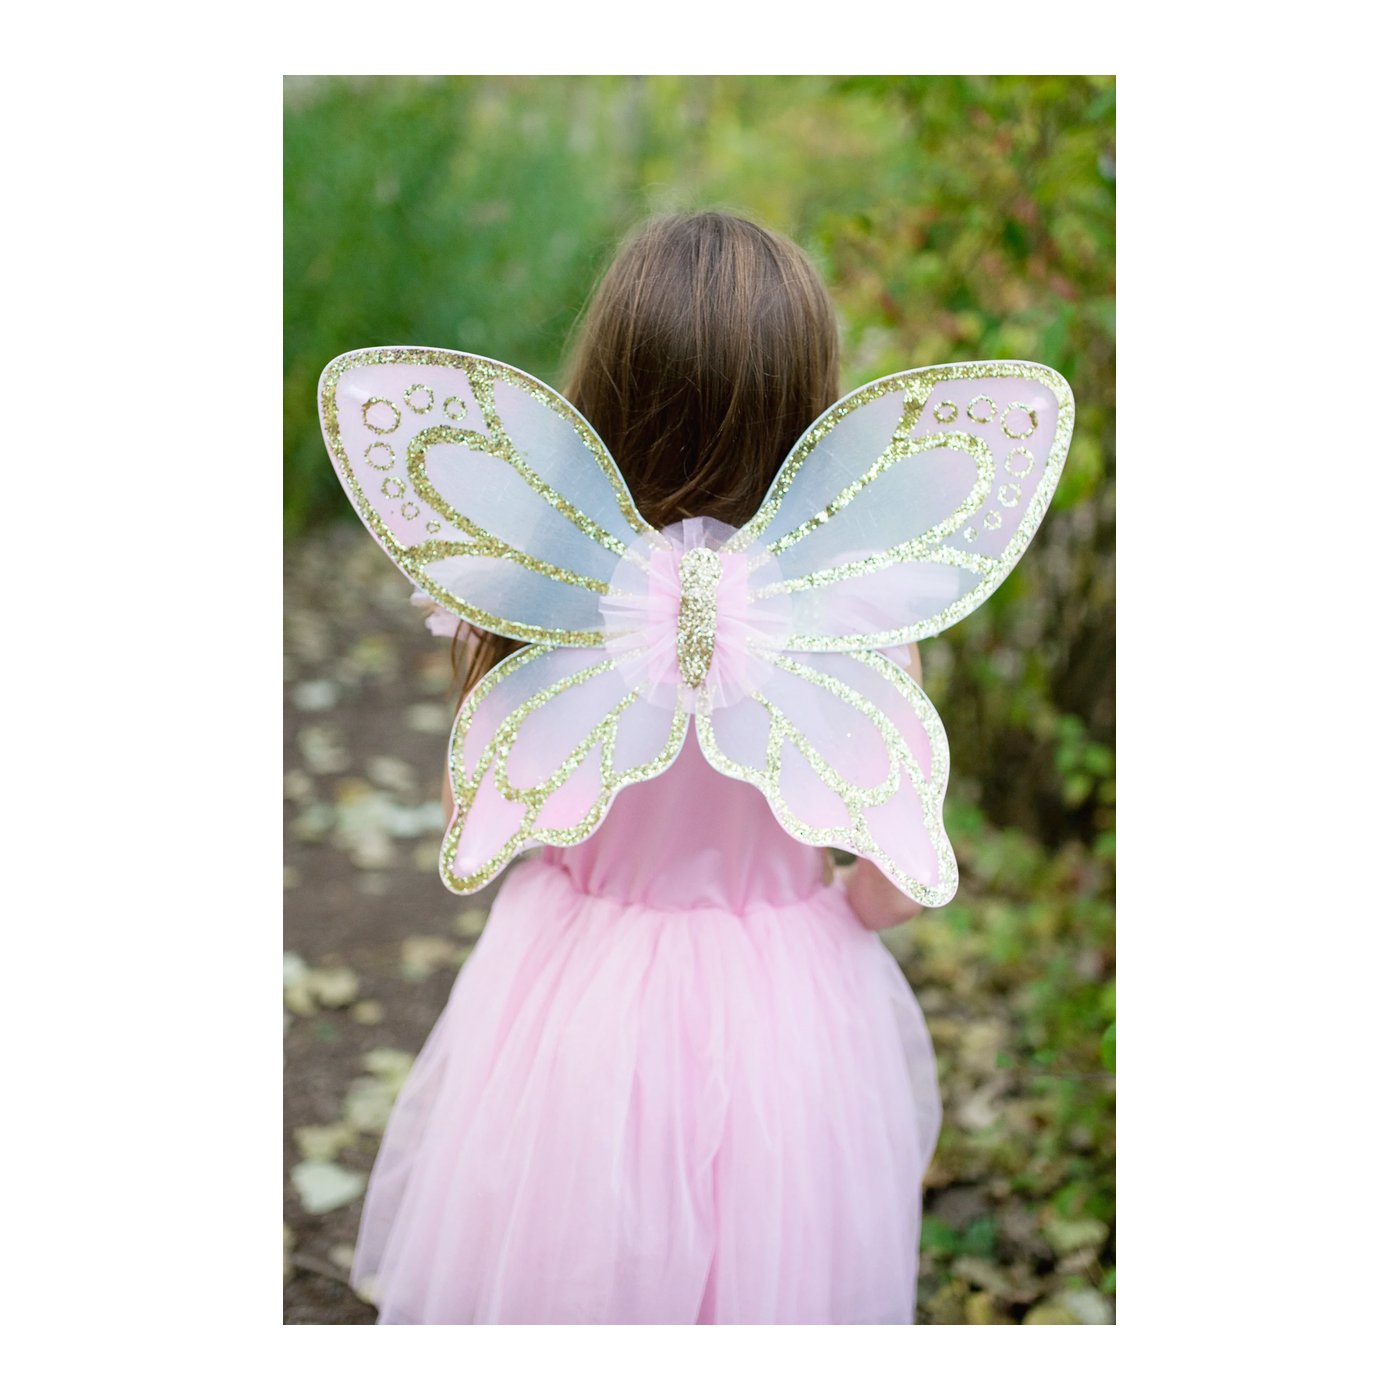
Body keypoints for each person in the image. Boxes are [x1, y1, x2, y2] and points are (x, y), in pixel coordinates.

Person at [319, 210, 1072, 1323]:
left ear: (606, 385)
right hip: (783, 1005)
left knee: (563, 1263)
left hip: (575, 991)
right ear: (811, 402)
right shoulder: (850, 614)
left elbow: (475, 812)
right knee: (769, 1275)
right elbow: (895, 887)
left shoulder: (536, 585)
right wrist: (837, 904)